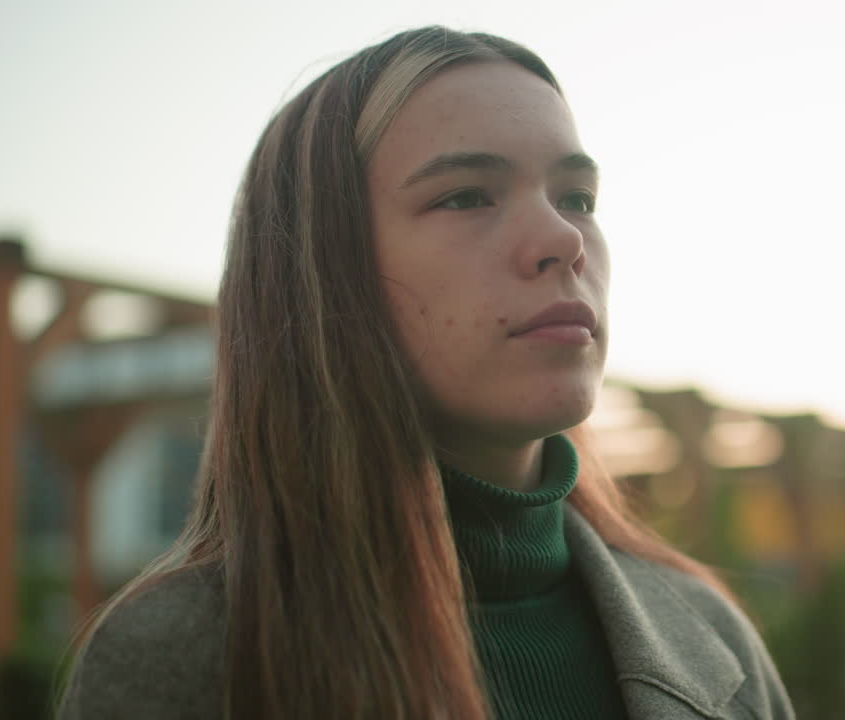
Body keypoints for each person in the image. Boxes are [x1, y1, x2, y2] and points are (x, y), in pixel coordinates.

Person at [57, 25, 795, 720]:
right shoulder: (184, 657)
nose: (564, 238)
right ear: (323, 272)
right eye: (466, 195)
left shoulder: (712, 633)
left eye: (578, 198)